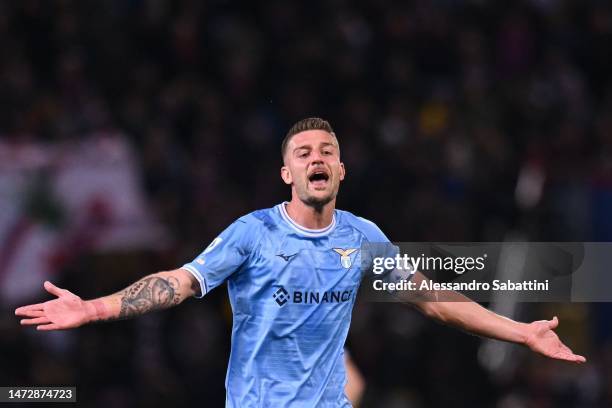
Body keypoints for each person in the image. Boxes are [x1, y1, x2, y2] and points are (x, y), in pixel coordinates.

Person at [15, 118, 585, 407]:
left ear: (341, 171)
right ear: (287, 173)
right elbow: (179, 282)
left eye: (327, 151)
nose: (317, 157)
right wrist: (93, 308)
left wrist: (520, 332)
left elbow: (435, 298)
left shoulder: (364, 238)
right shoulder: (253, 233)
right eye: (303, 153)